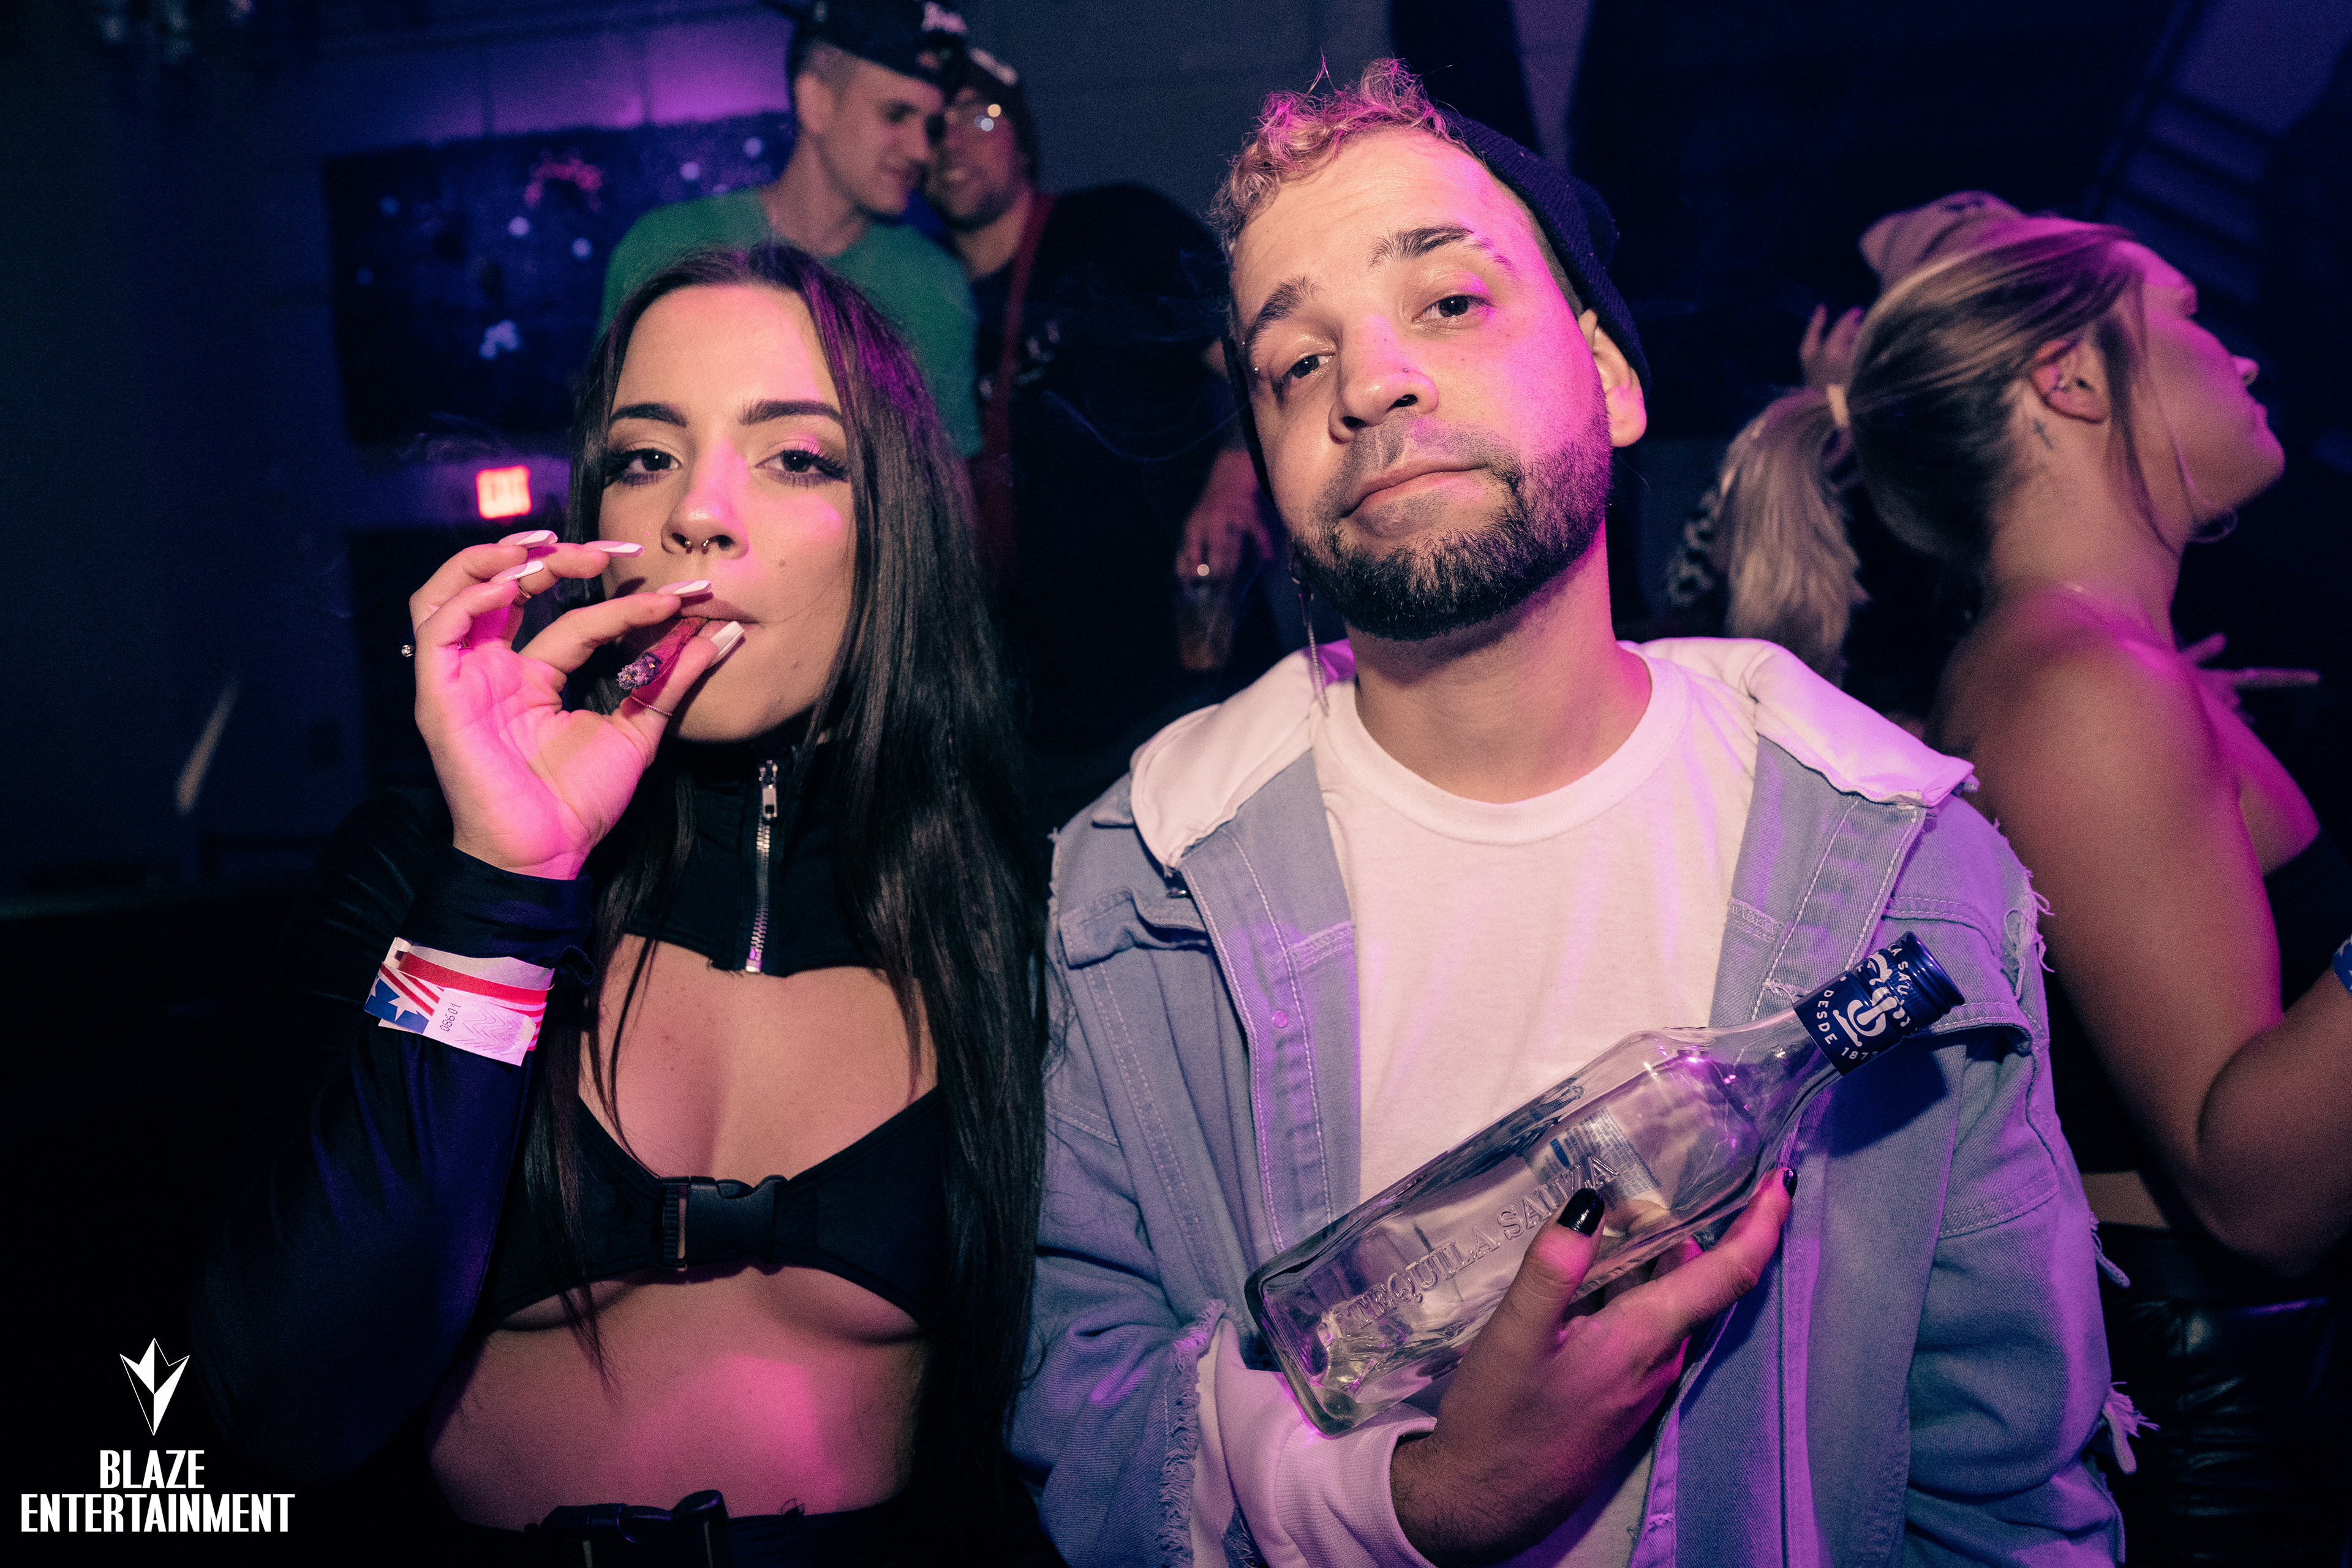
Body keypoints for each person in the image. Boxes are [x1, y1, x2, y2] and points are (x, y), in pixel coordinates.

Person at [1012, 61, 2120, 1568]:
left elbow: (1999, 1491)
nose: (1367, 384)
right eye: (1294, 361)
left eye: (1447, 301)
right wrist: (1414, 1501)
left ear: (1610, 375)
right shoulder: (1132, 891)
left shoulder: (1903, 876)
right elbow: (1079, 1409)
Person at [194, 244, 1051, 1565]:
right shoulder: (418, 869)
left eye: (796, 457)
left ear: (897, 529)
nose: (698, 511)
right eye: (647, 457)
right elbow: (284, 1402)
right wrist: (504, 884)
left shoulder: (1009, 903)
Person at [1716, 217, 2352, 1564]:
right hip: (2229, 1426)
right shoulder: (2077, 687)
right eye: (2189, 313)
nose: (2239, 353)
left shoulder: (2097, 663)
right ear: (2068, 379)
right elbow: (2256, 1189)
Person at [924, 45, 1273, 829]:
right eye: (932, 123)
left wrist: (1233, 478)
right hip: (1028, 715)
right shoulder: (917, 293)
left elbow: (1265, 357)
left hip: (1180, 667)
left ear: (1024, 139)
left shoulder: (1117, 228)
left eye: (981, 116)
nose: (953, 141)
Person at [601, 0, 982, 458]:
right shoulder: (665, 248)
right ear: (816, 102)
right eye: (895, 114)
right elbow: (610, 450)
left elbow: (945, 482)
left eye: (931, 126)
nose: (922, 150)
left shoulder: (933, 286)